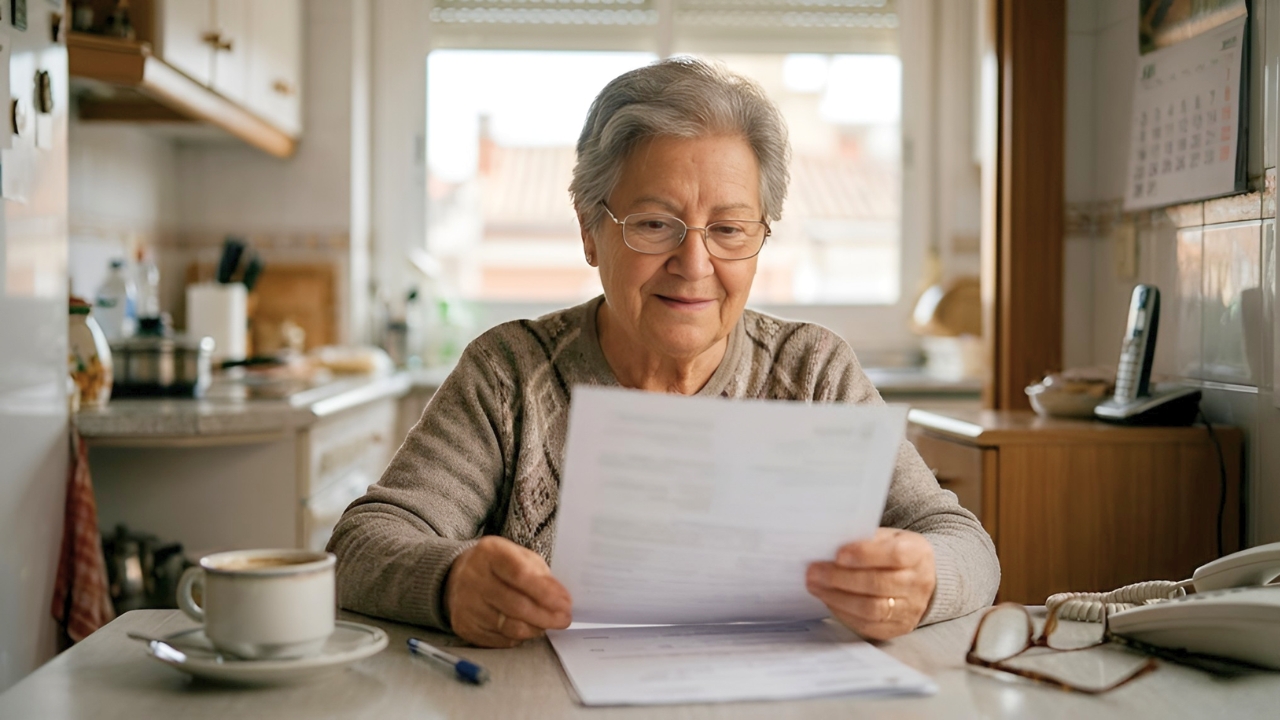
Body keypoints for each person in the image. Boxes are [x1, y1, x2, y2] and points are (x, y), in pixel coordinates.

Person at [328, 56, 999, 648]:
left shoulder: (814, 371)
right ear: (591, 231)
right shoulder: (509, 372)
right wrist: (449, 583)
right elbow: (361, 543)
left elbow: (967, 545)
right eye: (655, 224)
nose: (695, 263)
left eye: (730, 229)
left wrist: (922, 576)